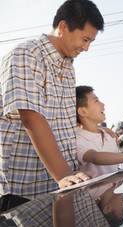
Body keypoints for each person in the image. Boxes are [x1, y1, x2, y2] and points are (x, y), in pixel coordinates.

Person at [0, 0, 104, 211]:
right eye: (85, 39)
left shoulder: (68, 68)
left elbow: (63, 124)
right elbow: (32, 117)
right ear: (63, 27)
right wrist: (63, 173)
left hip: (59, 188)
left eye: (90, 42)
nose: (86, 48)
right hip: (25, 192)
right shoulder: (26, 55)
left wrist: (97, 132)